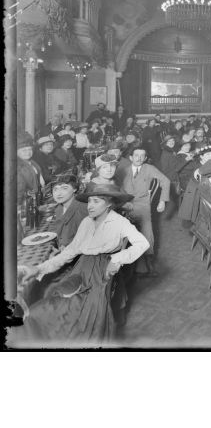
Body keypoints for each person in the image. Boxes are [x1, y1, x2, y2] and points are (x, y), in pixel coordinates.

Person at [18, 182, 149, 345]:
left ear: (110, 204)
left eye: (97, 201)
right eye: (90, 201)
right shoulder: (87, 221)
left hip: (102, 273)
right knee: (45, 307)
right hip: (81, 269)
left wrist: (117, 259)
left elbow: (142, 244)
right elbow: (70, 252)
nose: (90, 206)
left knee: (80, 309)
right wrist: (38, 268)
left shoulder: (120, 222)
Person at [120, 146, 170, 276]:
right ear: (130, 157)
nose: (139, 158)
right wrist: (122, 203)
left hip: (142, 204)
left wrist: (162, 200)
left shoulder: (149, 168)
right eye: (136, 155)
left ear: (146, 158)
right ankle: (128, 265)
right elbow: (117, 188)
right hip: (125, 204)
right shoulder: (123, 171)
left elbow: (166, 181)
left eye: (142, 156)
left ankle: (149, 263)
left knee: (147, 232)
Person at [48, 173, 89, 250]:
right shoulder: (59, 208)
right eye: (55, 189)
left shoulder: (83, 210)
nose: (59, 193)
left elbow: (88, 240)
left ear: (74, 189)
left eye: (65, 188)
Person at [17, 133, 45, 205]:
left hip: (36, 198)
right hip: (26, 202)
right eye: (24, 150)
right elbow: (18, 192)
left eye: (30, 149)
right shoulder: (18, 166)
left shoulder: (32, 162)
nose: (28, 152)